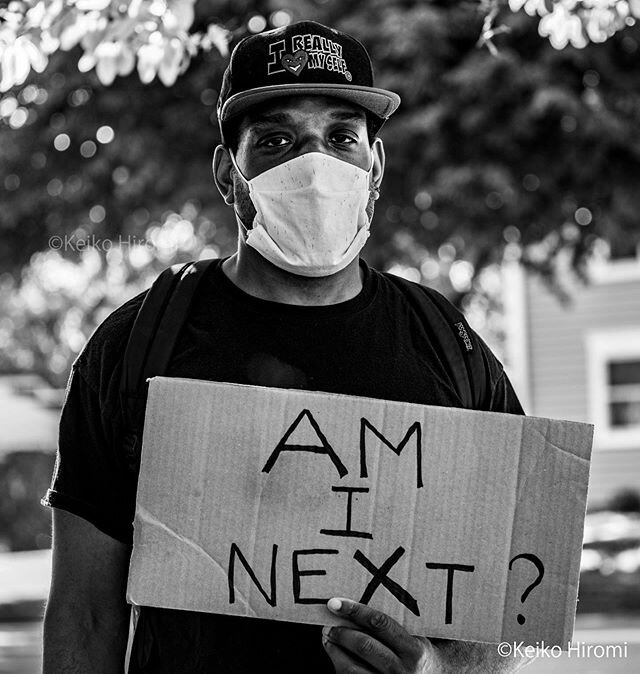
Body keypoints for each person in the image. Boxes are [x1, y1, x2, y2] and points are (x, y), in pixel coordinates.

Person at [41, 20, 531, 674]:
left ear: (374, 167)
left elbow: (516, 607)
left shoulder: (449, 346)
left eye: (341, 138)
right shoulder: (137, 346)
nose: (314, 165)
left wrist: (437, 670)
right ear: (228, 174)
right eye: (277, 140)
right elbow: (86, 614)